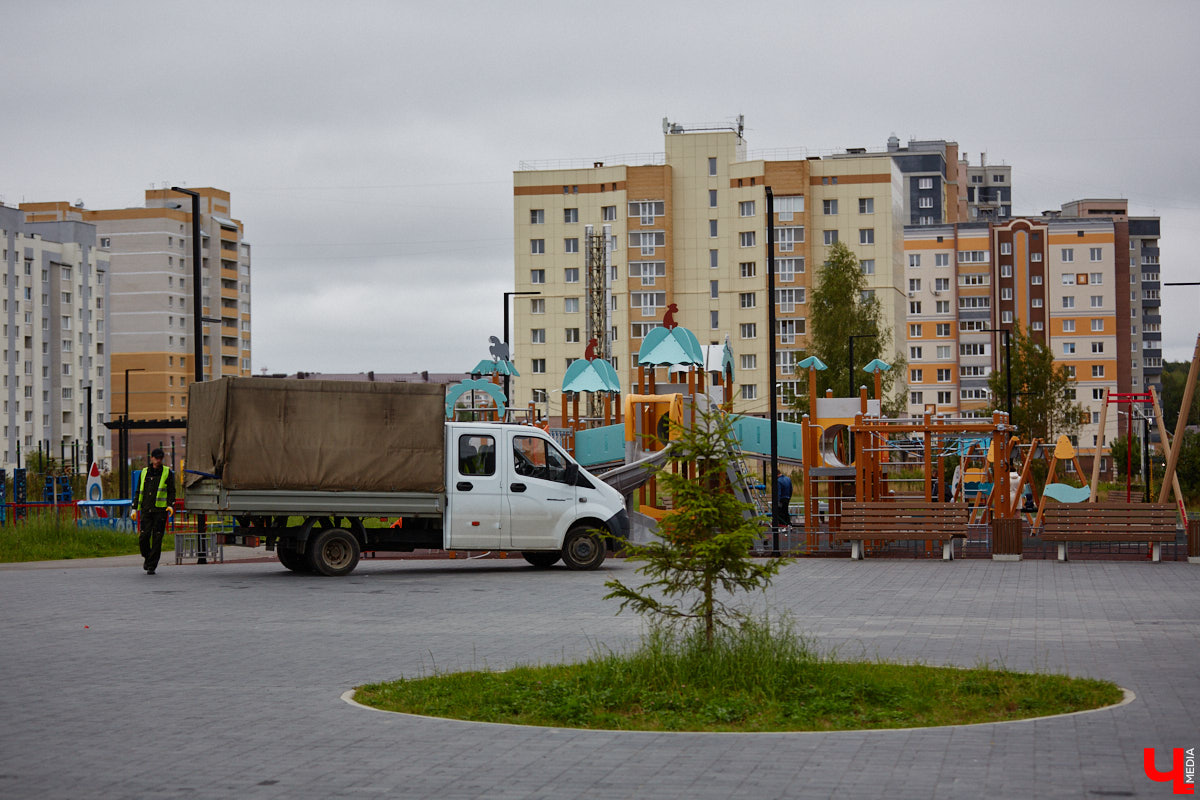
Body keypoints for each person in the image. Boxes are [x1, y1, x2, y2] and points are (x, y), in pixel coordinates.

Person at [133, 448, 175, 575]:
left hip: (160, 510)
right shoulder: (144, 472)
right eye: (156, 458)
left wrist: (170, 505)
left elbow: (171, 491)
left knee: (157, 538)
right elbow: (138, 490)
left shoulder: (167, 472)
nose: (158, 461)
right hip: (146, 509)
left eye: (160, 458)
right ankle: (147, 557)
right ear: (151, 458)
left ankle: (151, 565)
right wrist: (134, 507)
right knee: (143, 537)